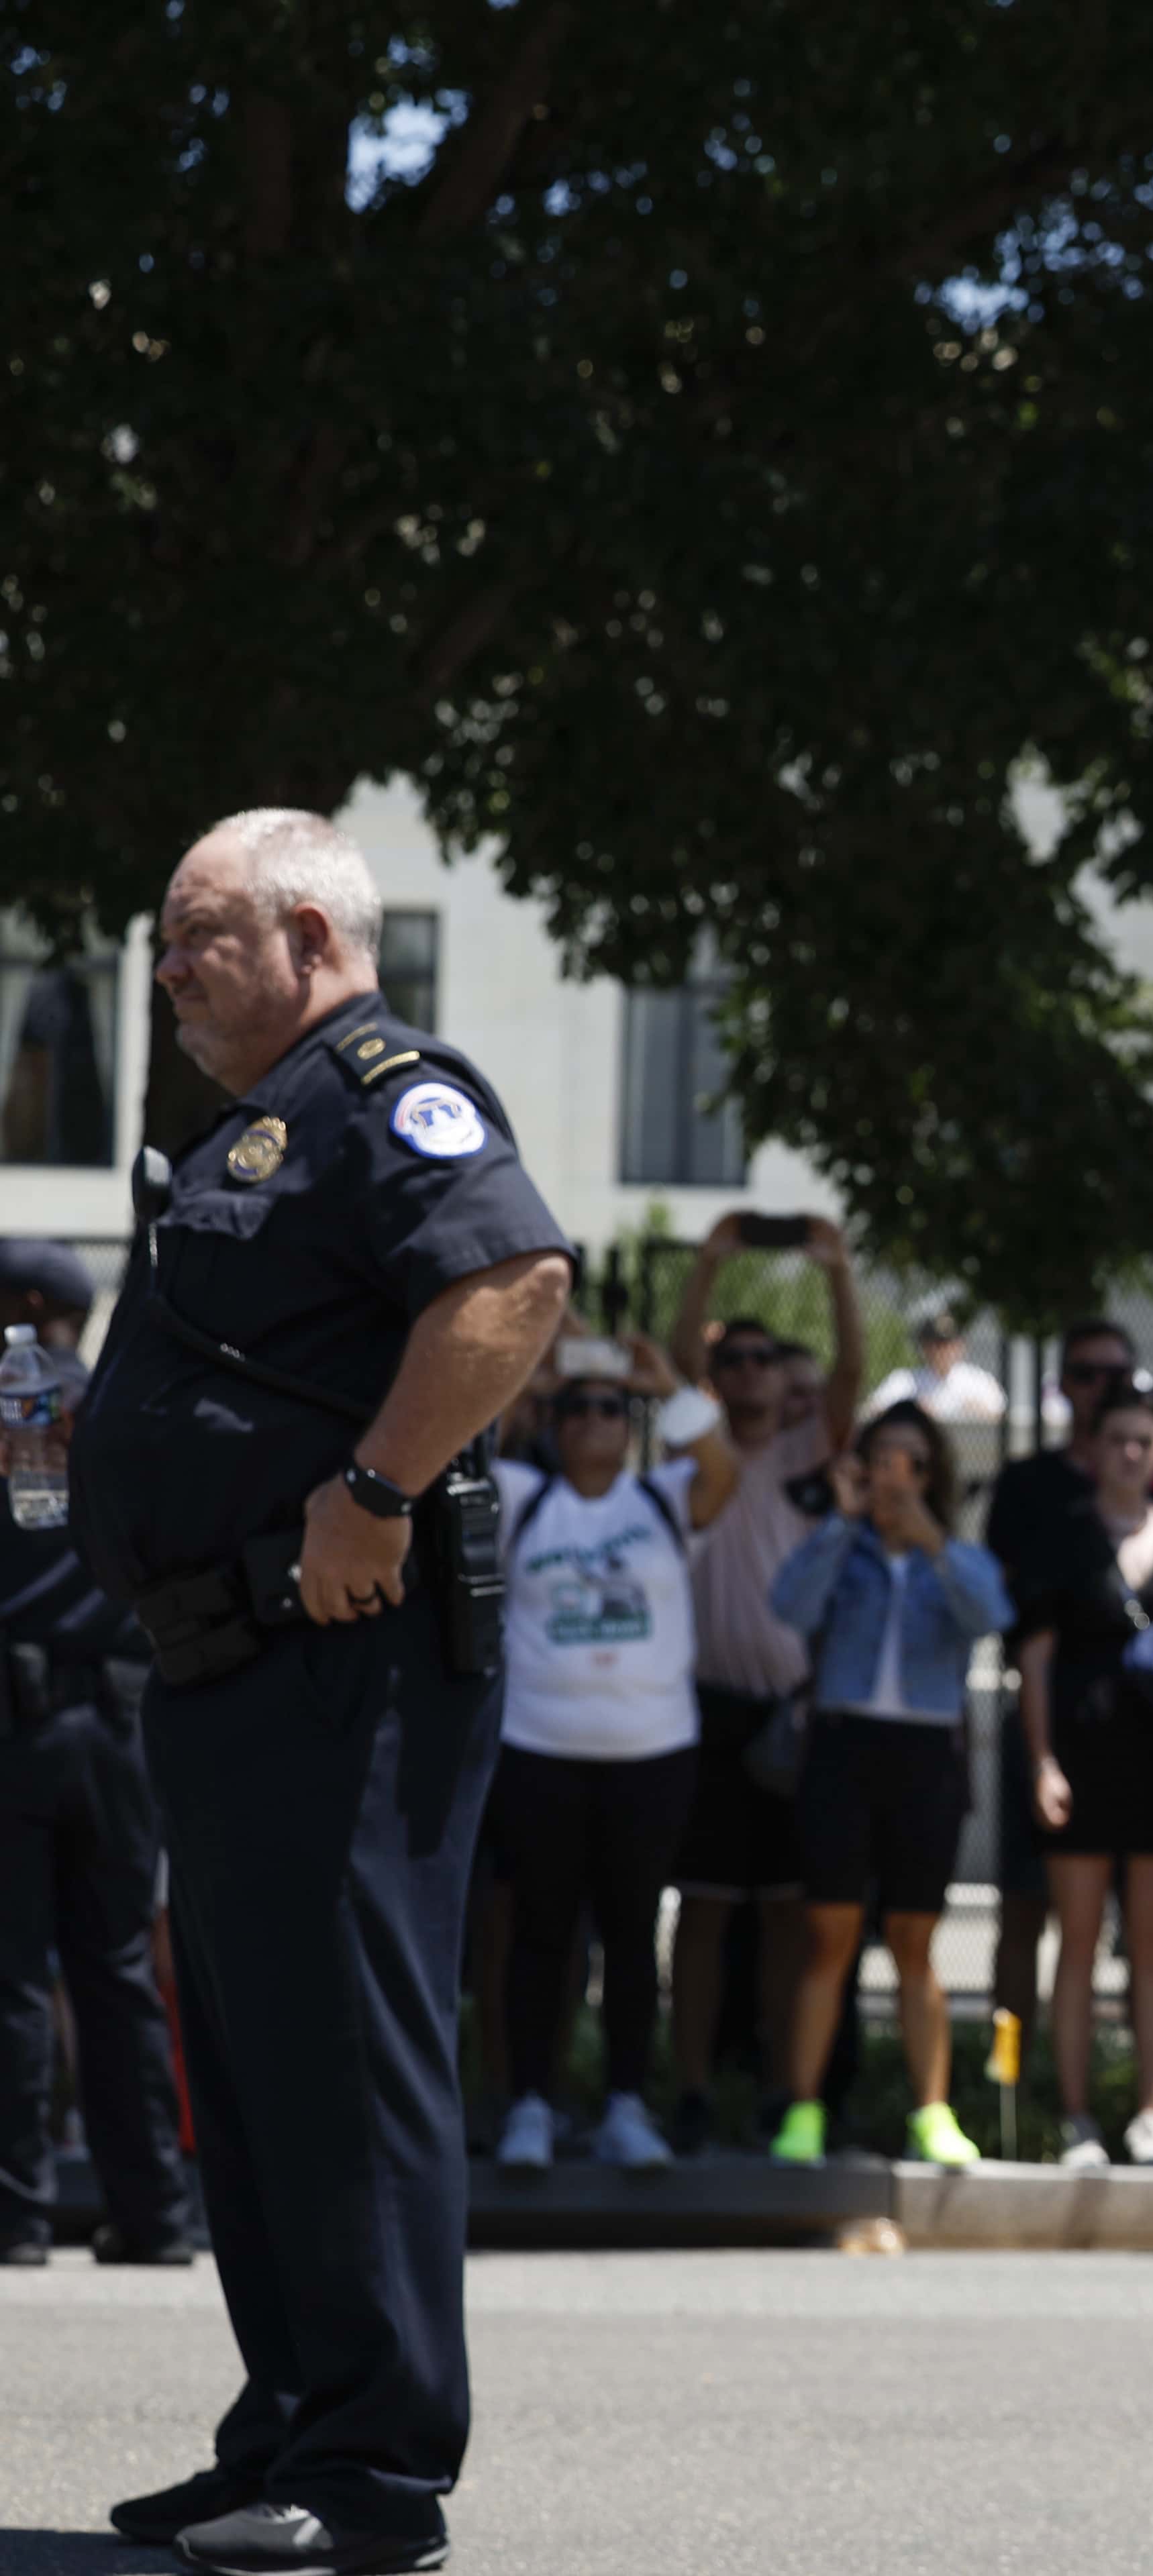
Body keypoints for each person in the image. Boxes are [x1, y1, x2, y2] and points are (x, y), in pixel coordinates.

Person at [74, 811, 569, 2576]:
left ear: (305, 929)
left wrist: (372, 1490)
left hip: (342, 1652)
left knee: (347, 2057)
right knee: (263, 2059)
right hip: (228, 1664)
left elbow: (512, 1280)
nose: (168, 964)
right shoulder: (251, 1126)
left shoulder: (388, 1089)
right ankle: (289, 2417)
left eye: (196, 931)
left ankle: (374, 2470)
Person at [483, 1333, 737, 2174]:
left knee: (633, 1936)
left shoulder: (663, 1500)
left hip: (651, 1754)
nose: (594, 1420)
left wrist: (668, 1388)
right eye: (576, 1408)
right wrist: (531, 1379)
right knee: (541, 1935)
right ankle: (529, 2104)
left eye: (609, 1408)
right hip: (540, 1749)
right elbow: (470, 1446)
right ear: (553, 1423)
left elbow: (721, 1468)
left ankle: (627, 2104)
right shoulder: (522, 1495)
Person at [1, 1268, 195, 2273]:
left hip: (15, 1723)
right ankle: (155, 2210)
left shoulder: (9, 1400)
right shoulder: (133, 1397)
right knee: (118, 1972)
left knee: (14, 1981)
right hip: (123, 1720)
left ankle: (16, 2213)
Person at [764, 1402, 1011, 2168]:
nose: (895, 1477)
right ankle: (802, 2109)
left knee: (915, 1940)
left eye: (912, 1461)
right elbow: (788, 1606)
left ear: (933, 1472)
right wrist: (844, 1522)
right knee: (829, 1936)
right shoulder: (841, 1546)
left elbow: (990, 1613)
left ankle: (931, 2110)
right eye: (882, 1459)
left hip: (924, 1756)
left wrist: (932, 1541)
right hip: (843, 1746)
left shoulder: (955, 1556)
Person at [662, 1225, 865, 2152]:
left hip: (789, 1716)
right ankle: (694, 2089)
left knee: (790, 1912)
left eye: (759, 1357)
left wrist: (838, 1276)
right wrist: (708, 1264)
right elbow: (674, 1362)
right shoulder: (694, 1452)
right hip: (703, 1706)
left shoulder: (800, 1455)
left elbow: (850, 1376)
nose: (747, 1371)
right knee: (702, 1911)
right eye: (732, 1358)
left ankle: (790, 2089)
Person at [981, 1319, 1153, 2066]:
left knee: (1146, 1935)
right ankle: (1006, 2082)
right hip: (1053, 1733)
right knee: (1023, 1912)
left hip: (1152, 1752)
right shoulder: (1030, 1486)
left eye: (1117, 1373)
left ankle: (1142, 2103)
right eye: (1085, 1372)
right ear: (1064, 1382)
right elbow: (1013, 1613)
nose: (1102, 1388)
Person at [1015, 1378, 1153, 2168]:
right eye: (1117, 1439)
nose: (1130, 1453)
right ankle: (1075, 2117)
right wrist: (1040, 1762)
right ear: (1093, 1450)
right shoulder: (1063, 1535)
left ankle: (1151, 2113)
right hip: (1080, 1759)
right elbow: (1032, 1657)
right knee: (1076, 1947)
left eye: (1144, 1440)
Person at [864, 1309, 1009, 1429]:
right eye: (937, 1344)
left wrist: (972, 1412)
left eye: (949, 1343)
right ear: (925, 1347)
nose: (943, 1350)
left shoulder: (978, 1380)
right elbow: (874, 1409)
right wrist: (912, 1411)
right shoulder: (905, 1380)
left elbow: (1002, 1415)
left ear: (961, 1345)